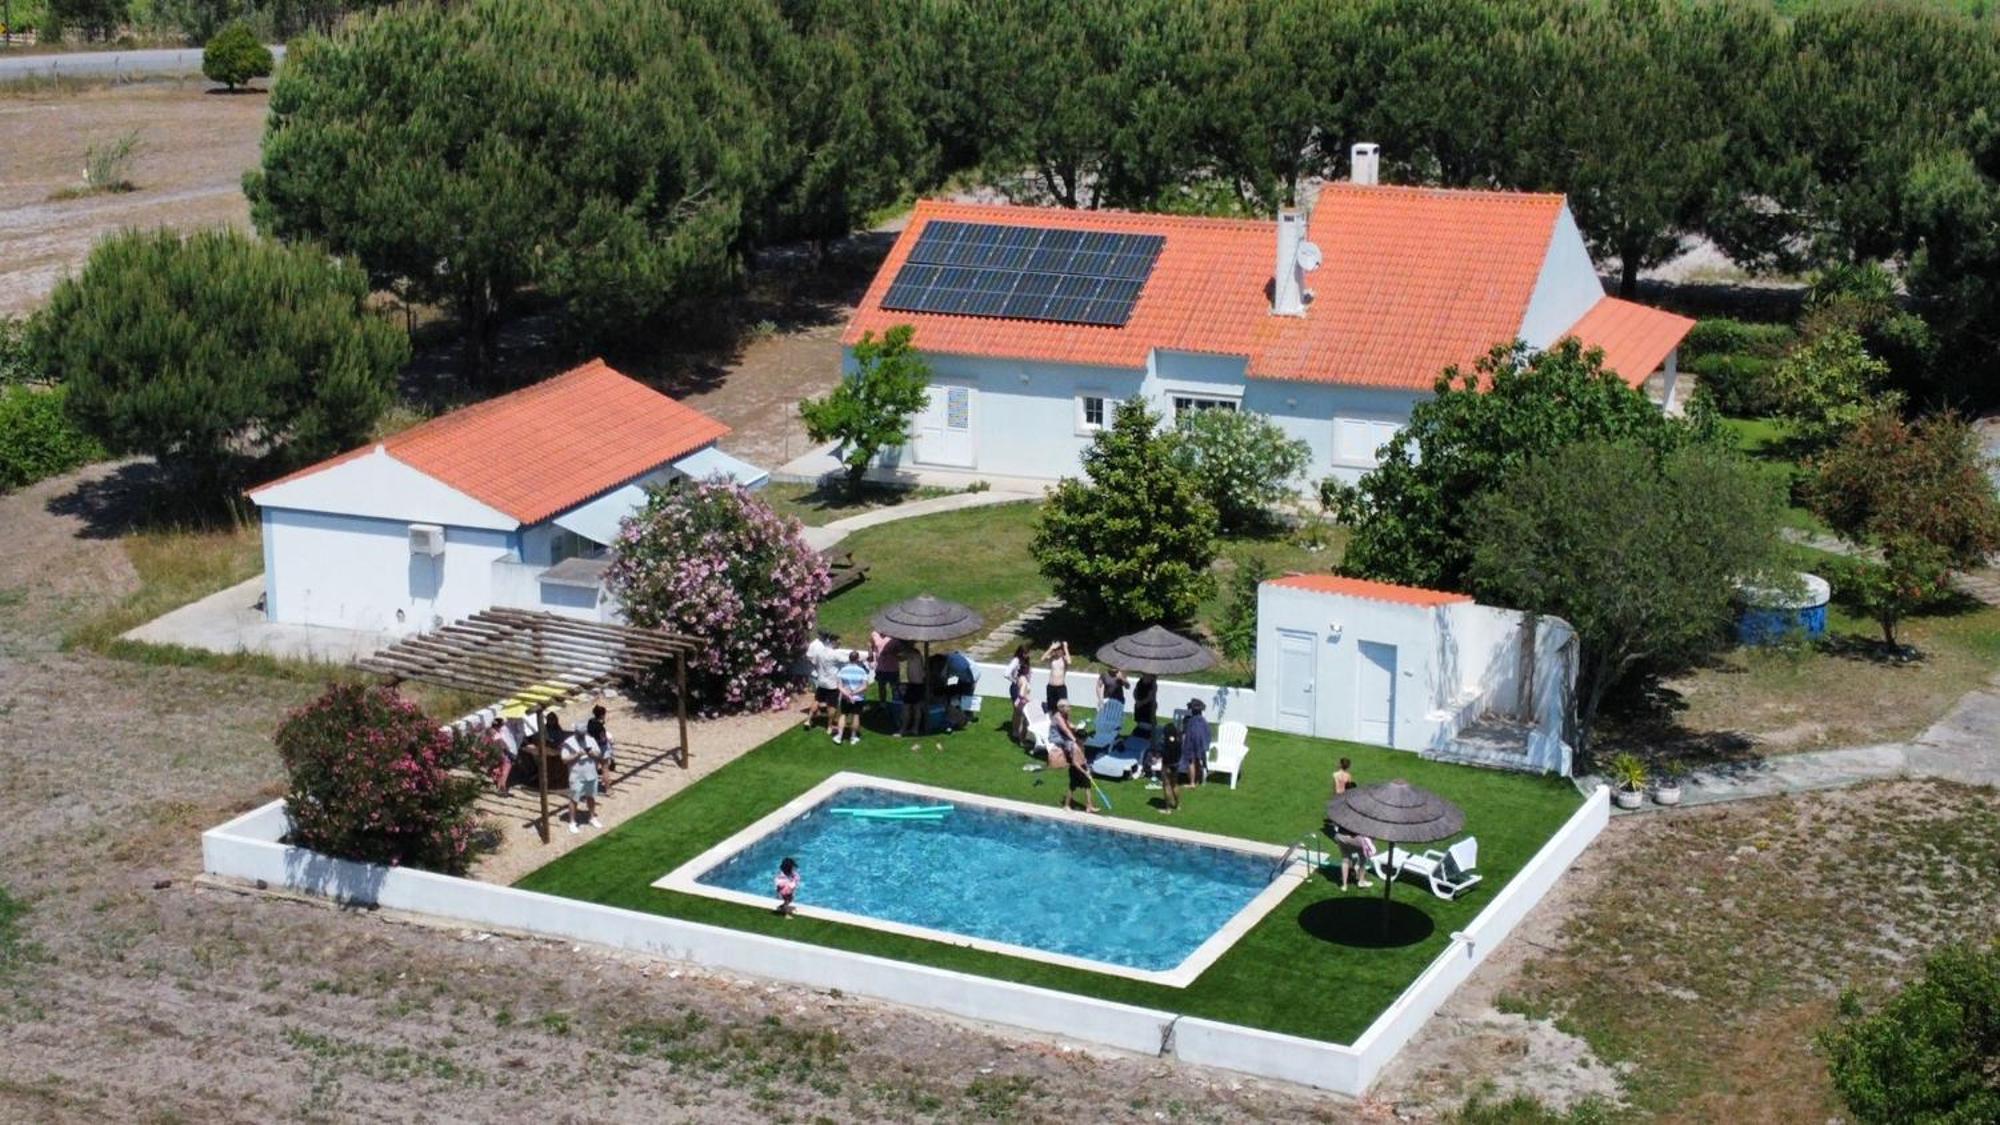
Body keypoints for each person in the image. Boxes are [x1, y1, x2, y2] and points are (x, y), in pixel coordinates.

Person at [1050, 702, 1096, 813]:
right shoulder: (1075, 747)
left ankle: (1089, 806)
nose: (1085, 741)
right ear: (1079, 739)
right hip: (1075, 769)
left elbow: (1083, 758)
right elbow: (1075, 763)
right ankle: (1066, 805)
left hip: (1082, 767)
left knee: (1087, 786)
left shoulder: (1082, 746)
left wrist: (1087, 767)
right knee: (1072, 788)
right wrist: (1084, 772)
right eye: (1084, 739)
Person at [560, 723, 605, 833]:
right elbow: (564, 760)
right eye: (580, 734)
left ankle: (592, 817)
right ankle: (572, 822)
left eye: (583, 734)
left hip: (591, 773)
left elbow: (599, 755)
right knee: (574, 799)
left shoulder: (591, 740)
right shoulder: (568, 743)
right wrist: (577, 755)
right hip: (576, 775)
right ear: (575, 732)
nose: (582, 736)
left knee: (591, 797)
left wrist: (591, 753)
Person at [805, 633, 841, 731]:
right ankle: (829, 726)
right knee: (832, 705)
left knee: (816, 700)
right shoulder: (835, 654)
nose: (839, 643)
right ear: (833, 641)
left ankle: (808, 720)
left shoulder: (820, 652)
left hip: (821, 682)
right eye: (838, 641)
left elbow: (814, 662)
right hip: (832, 685)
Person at [836, 649, 869, 744]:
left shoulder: (843, 670)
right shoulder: (861, 671)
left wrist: (848, 694)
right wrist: (854, 693)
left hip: (845, 698)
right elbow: (864, 686)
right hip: (858, 698)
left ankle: (839, 736)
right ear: (857, 659)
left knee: (843, 715)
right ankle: (853, 737)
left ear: (849, 658)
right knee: (856, 716)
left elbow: (839, 686)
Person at [899, 643, 928, 736]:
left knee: (906, 707)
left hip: (914, 684)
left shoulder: (912, 653)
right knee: (916, 707)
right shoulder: (916, 653)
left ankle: (903, 729)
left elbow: (900, 658)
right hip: (919, 684)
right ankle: (915, 729)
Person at [1180, 699, 1211, 787]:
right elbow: (1207, 734)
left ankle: (1192, 783)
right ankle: (1197, 780)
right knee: (1197, 760)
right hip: (1201, 744)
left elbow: (1188, 734)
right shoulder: (1203, 721)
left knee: (1191, 761)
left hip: (1192, 743)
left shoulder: (1191, 721)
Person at [587, 703, 616, 795]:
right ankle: (608, 789)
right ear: (602, 715)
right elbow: (602, 739)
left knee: (593, 768)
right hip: (601, 748)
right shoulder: (600, 727)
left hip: (592, 747)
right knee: (605, 769)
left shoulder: (590, 722)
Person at [1157, 721, 1183, 813]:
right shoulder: (1178, 741)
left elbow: (1161, 752)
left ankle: (1167, 809)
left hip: (1166, 765)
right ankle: (1177, 805)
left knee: (1167, 786)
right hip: (1175, 765)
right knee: (1175, 785)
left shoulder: (1164, 741)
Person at [871, 632, 900, 714]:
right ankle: (882, 704)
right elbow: (871, 645)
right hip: (880, 667)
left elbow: (900, 650)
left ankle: (896, 703)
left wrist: (891, 652)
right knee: (881, 687)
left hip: (893, 667)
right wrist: (871, 654)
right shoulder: (874, 634)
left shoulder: (894, 636)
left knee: (894, 687)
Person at [1009, 652, 1033, 744]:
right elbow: (1022, 694)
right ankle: (1022, 740)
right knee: (1025, 720)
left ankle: (1018, 737)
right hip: (1022, 702)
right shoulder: (1024, 680)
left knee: (1019, 717)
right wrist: (1028, 700)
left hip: (1020, 702)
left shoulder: (1019, 678)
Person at [487, 716, 515, 797]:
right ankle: (502, 789)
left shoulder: (489, 731)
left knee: (500, 770)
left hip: (495, 755)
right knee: (505, 772)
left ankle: (500, 787)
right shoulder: (497, 734)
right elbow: (502, 744)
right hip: (503, 755)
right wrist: (509, 753)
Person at [1042, 641, 1070, 714]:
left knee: (1063, 707)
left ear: (1062, 651)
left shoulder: (1064, 660)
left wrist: (1066, 648)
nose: (1058, 652)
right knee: (1051, 707)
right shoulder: (1052, 659)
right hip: (1051, 686)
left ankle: (1064, 723)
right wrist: (1051, 648)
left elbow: (1069, 662)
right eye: (1057, 650)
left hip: (1061, 687)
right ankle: (1052, 723)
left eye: (1060, 650)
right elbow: (1042, 659)